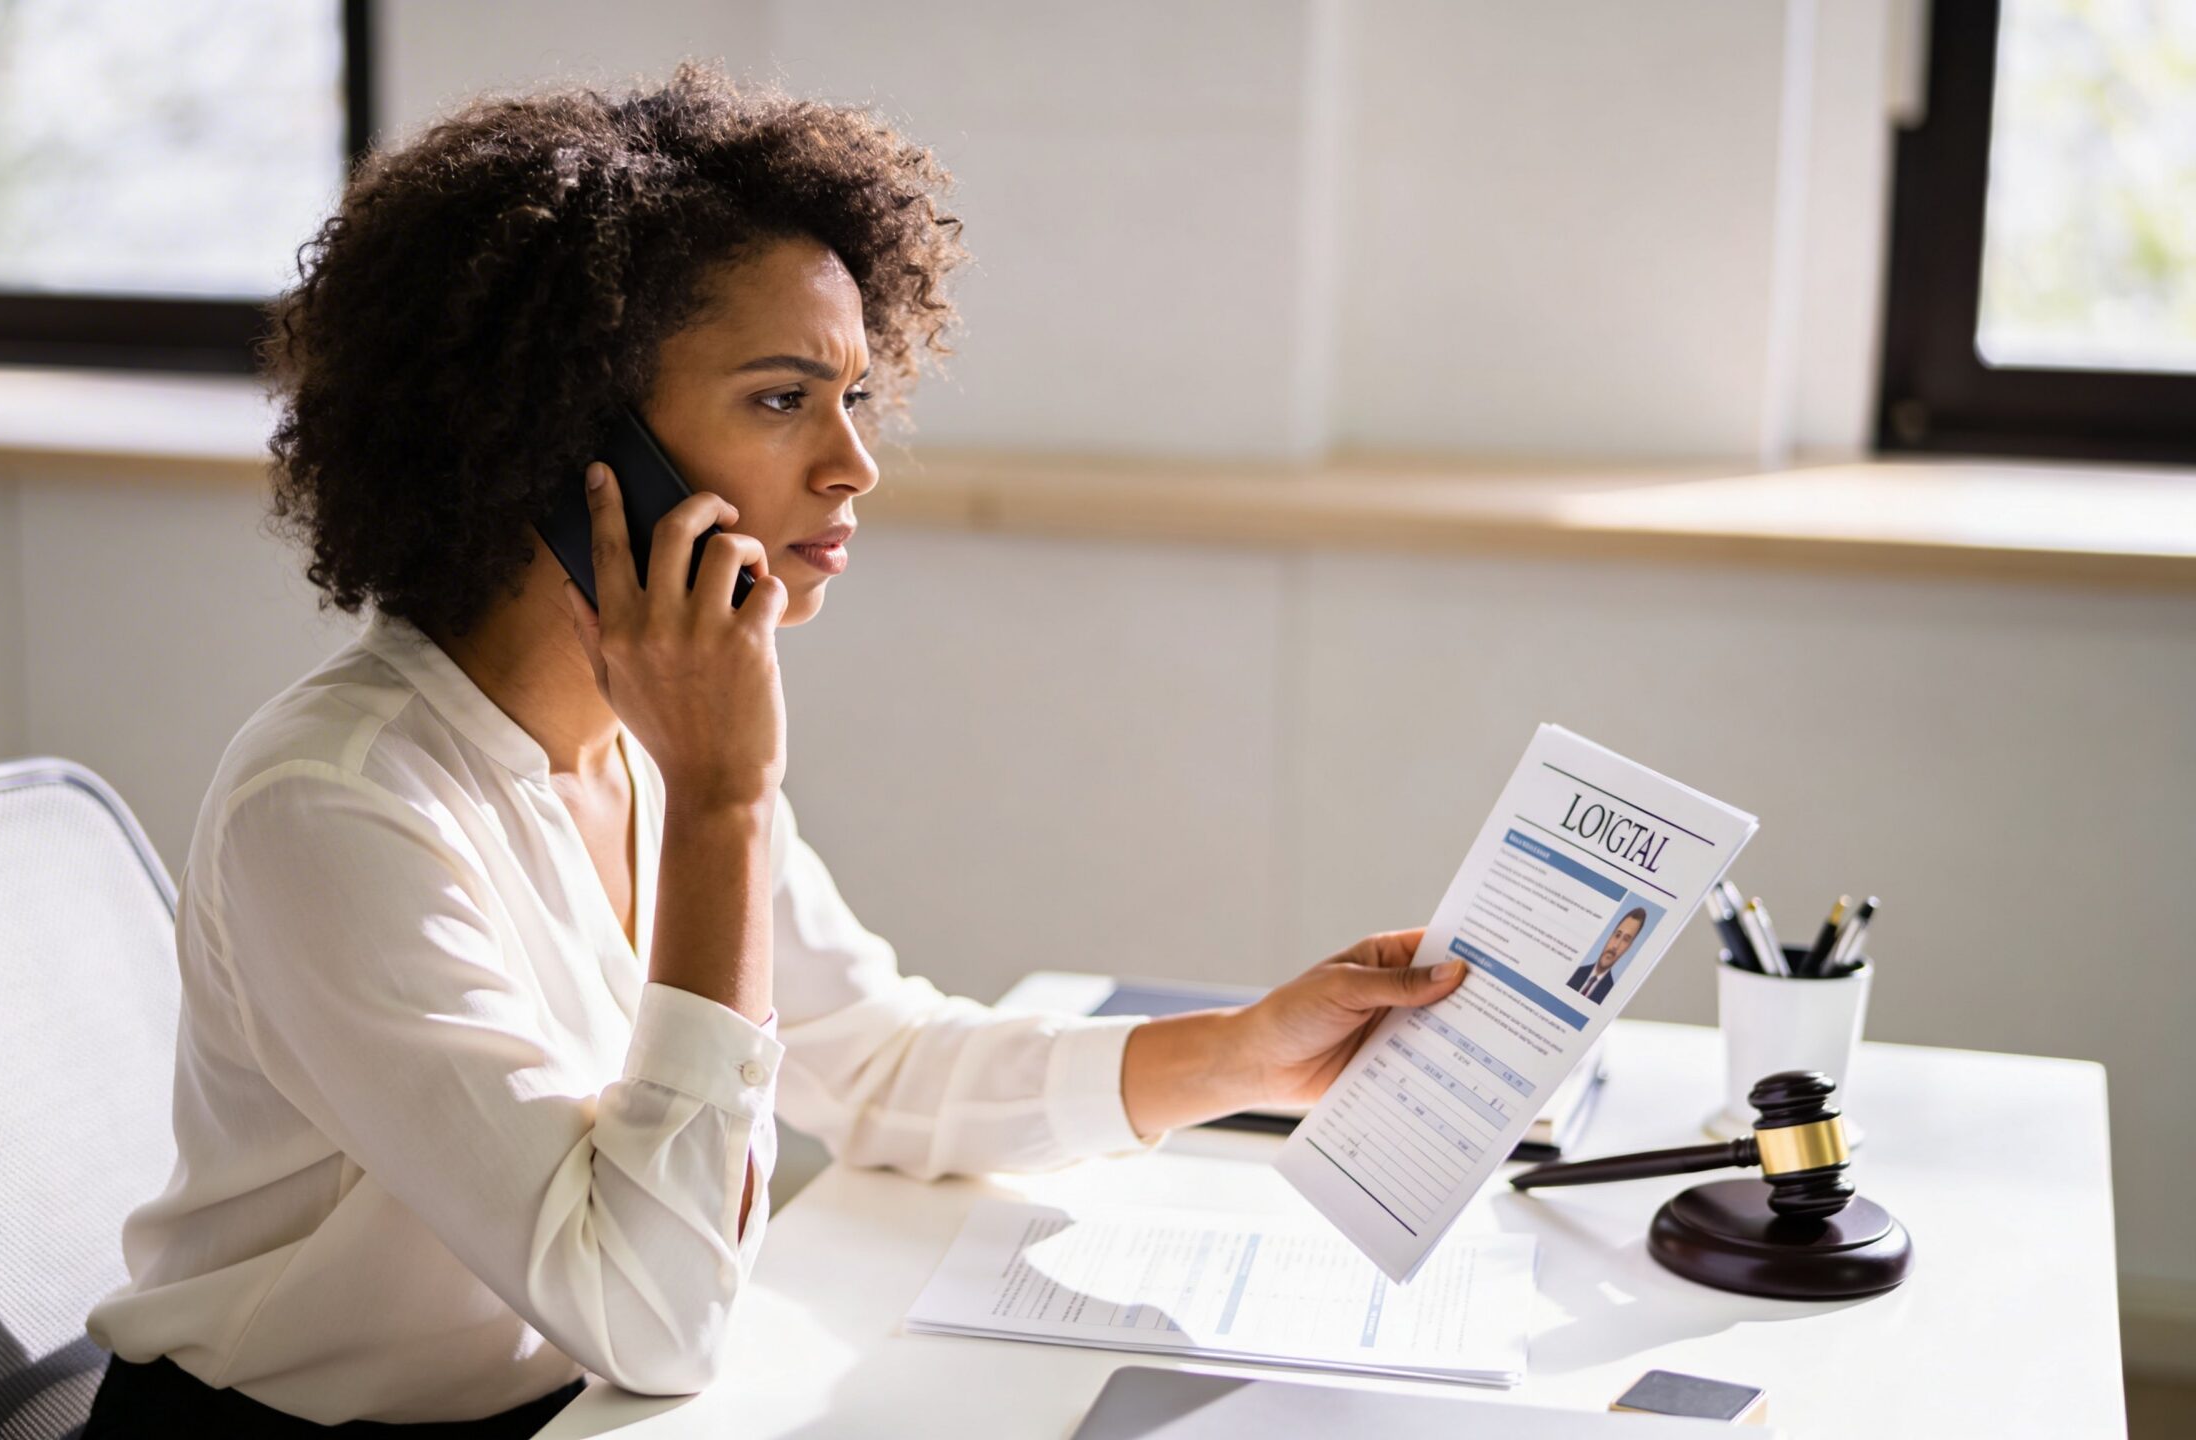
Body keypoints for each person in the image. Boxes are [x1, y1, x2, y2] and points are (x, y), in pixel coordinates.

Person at [81, 62, 1466, 1436]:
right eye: (781, 399)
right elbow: (657, 1310)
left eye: (855, 397)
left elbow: (866, 1063)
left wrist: (1241, 1055)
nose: (853, 465)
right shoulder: (339, 808)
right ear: (572, 444)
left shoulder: (641, 734)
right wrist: (723, 807)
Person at [1567, 907, 1649, 1004]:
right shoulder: (1575, 972)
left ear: (1629, 947)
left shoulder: (1612, 996)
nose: (1615, 946)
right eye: (1617, 935)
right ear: (1610, 935)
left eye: (1626, 940)